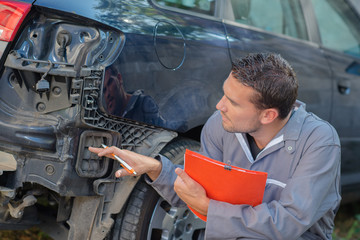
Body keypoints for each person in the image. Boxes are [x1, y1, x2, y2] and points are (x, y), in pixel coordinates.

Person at [90, 53, 341, 239]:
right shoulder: (220, 126)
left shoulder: (319, 142)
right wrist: (154, 168)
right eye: (224, 94)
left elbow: (288, 222)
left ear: (268, 116)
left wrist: (210, 209)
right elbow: (199, 194)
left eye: (232, 102)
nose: (219, 106)